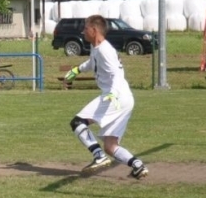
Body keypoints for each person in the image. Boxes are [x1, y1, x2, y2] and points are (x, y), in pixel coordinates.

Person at [61, 15, 147, 179]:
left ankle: (98, 156)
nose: (83, 31)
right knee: (110, 146)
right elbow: (92, 63)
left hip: (115, 97)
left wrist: (113, 93)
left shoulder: (105, 50)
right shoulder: (97, 48)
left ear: (94, 30)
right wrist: (77, 70)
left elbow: (115, 73)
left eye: (85, 28)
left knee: (78, 122)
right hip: (125, 98)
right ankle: (137, 165)